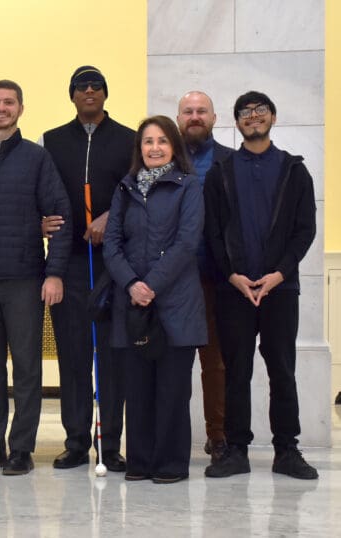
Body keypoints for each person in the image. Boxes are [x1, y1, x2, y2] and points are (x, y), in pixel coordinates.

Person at [0, 80, 72, 475]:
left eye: (8, 102)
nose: (1, 108)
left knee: (26, 368)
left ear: (21, 108)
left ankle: (21, 449)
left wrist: (54, 273)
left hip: (24, 280)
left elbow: (59, 218)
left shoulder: (38, 158)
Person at [204, 91, 318, 480]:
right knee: (236, 370)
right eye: (245, 113)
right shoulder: (220, 173)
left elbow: (305, 231)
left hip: (280, 290)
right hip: (233, 289)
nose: (253, 117)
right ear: (235, 122)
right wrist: (232, 274)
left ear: (272, 116)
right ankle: (235, 450)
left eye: (260, 111)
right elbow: (212, 233)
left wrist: (279, 274)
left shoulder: (294, 170)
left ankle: (287, 449)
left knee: (282, 369)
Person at [40, 65, 134, 471]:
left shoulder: (130, 140)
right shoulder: (53, 141)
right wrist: (39, 220)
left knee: (112, 356)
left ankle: (109, 443)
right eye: (81, 86)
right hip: (70, 262)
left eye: (96, 85)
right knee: (73, 355)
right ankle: (77, 441)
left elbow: (137, 193)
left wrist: (112, 216)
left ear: (106, 93)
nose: (89, 91)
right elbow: (41, 193)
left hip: (114, 263)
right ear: (72, 95)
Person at [103, 115, 206, 484]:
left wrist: (151, 285)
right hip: (132, 305)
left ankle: (170, 465)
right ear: (139, 149)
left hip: (176, 305)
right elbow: (111, 243)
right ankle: (141, 463)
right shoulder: (125, 188)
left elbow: (187, 242)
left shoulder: (189, 186)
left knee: (172, 391)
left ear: (174, 147)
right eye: (148, 141)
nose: (155, 148)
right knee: (139, 389)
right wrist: (132, 283)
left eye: (162, 141)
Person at [176, 90, 234, 462]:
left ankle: (219, 438)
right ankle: (173, 438)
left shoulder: (231, 162)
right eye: (187, 111)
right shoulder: (160, 161)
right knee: (173, 365)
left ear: (214, 118)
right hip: (173, 282)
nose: (194, 117)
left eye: (201, 111)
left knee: (216, 364)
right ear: (177, 119)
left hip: (216, 279)